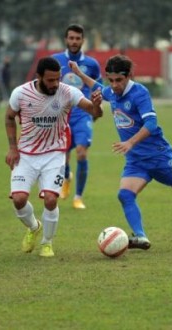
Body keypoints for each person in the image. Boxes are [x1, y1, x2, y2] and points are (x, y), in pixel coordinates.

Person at [68, 54, 172, 250]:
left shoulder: (140, 93)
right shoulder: (112, 92)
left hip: (159, 156)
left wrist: (130, 142)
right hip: (136, 161)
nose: (114, 85)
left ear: (129, 76)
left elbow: (152, 124)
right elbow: (98, 88)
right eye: (110, 80)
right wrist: (79, 73)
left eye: (118, 80)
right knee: (125, 195)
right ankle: (140, 236)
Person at [5, 57, 103, 257]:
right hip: (26, 154)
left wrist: (97, 105)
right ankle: (34, 227)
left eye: (58, 79)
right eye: (50, 80)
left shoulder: (68, 92)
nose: (55, 84)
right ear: (39, 77)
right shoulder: (21, 93)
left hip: (55, 154)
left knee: (50, 200)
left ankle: (47, 243)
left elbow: (94, 112)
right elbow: (9, 117)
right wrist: (13, 148)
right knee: (19, 199)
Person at [52, 24, 103, 209]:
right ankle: (66, 177)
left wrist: (95, 110)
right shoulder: (55, 60)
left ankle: (78, 197)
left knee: (81, 152)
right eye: (71, 38)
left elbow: (99, 87)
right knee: (63, 156)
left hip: (82, 114)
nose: (74, 41)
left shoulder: (91, 64)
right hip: (61, 115)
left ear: (82, 40)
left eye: (77, 38)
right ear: (66, 39)